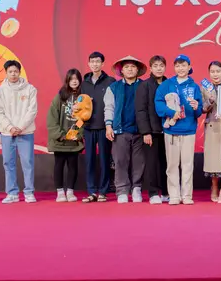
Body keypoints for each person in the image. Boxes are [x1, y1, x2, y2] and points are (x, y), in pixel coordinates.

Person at [155, 54, 203, 205]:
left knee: (188, 165)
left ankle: (187, 195)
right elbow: (158, 103)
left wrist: (197, 107)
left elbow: (199, 111)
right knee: (172, 165)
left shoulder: (194, 87)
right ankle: (174, 195)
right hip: (171, 130)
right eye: (177, 65)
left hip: (189, 130)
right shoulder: (166, 85)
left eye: (183, 65)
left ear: (189, 67)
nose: (180, 68)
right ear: (174, 67)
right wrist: (171, 113)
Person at [0, 60, 38, 204]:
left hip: (26, 132)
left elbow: (32, 110)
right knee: (8, 163)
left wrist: (20, 127)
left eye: (15, 71)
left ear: (20, 72)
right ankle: (12, 193)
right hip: (7, 133)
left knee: (28, 162)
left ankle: (29, 192)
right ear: (6, 73)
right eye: (10, 72)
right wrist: (10, 128)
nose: (13, 74)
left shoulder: (30, 89)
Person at [105, 56, 147, 204]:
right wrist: (108, 126)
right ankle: (122, 190)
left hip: (140, 131)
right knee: (120, 161)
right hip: (120, 130)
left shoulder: (144, 86)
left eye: (133, 67)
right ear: (121, 70)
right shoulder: (113, 88)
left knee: (139, 162)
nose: (130, 69)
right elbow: (109, 107)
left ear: (137, 70)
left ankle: (136, 188)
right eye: (127, 67)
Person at [80, 52, 115, 203]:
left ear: (103, 64)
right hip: (88, 127)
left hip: (104, 127)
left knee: (104, 160)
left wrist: (110, 125)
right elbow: (79, 105)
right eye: (92, 61)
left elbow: (114, 104)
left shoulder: (110, 81)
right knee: (89, 161)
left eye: (97, 61)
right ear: (88, 63)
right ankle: (91, 191)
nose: (95, 64)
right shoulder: (84, 83)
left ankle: (103, 191)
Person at [46, 68, 84, 202]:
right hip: (60, 140)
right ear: (67, 81)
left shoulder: (83, 98)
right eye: (71, 79)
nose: (74, 81)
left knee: (73, 166)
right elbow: (52, 118)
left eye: (76, 79)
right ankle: (60, 192)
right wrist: (60, 135)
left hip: (73, 141)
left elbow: (84, 118)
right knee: (59, 165)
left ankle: (70, 191)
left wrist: (76, 134)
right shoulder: (59, 97)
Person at [135, 55, 167, 204]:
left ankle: (166, 192)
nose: (159, 68)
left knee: (167, 163)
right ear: (151, 68)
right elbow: (140, 110)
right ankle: (153, 193)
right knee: (152, 163)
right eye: (156, 66)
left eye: (161, 66)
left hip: (168, 130)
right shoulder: (145, 85)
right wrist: (145, 132)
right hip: (151, 132)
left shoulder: (169, 84)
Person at [201, 61, 221, 204]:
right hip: (212, 125)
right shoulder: (204, 88)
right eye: (212, 71)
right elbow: (202, 109)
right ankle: (214, 186)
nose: (215, 74)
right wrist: (210, 101)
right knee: (213, 159)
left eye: (218, 71)